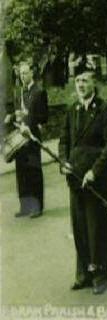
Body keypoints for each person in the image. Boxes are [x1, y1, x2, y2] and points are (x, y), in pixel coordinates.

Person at [59, 63, 107, 294]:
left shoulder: (105, 109)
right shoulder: (72, 109)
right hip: (74, 179)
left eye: (85, 80)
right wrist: (63, 161)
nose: (81, 85)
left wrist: (94, 171)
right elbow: (64, 139)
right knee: (80, 227)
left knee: (97, 229)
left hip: (96, 179)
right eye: (77, 81)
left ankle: (100, 275)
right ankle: (83, 273)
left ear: (94, 82)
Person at [4, 61, 48, 218]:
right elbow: (16, 110)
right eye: (21, 74)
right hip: (19, 138)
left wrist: (28, 116)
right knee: (21, 173)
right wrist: (13, 115)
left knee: (34, 172)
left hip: (32, 136)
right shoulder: (19, 92)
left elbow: (44, 117)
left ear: (32, 73)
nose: (23, 76)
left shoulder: (39, 91)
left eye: (25, 73)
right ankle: (25, 207)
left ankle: (37, 207)